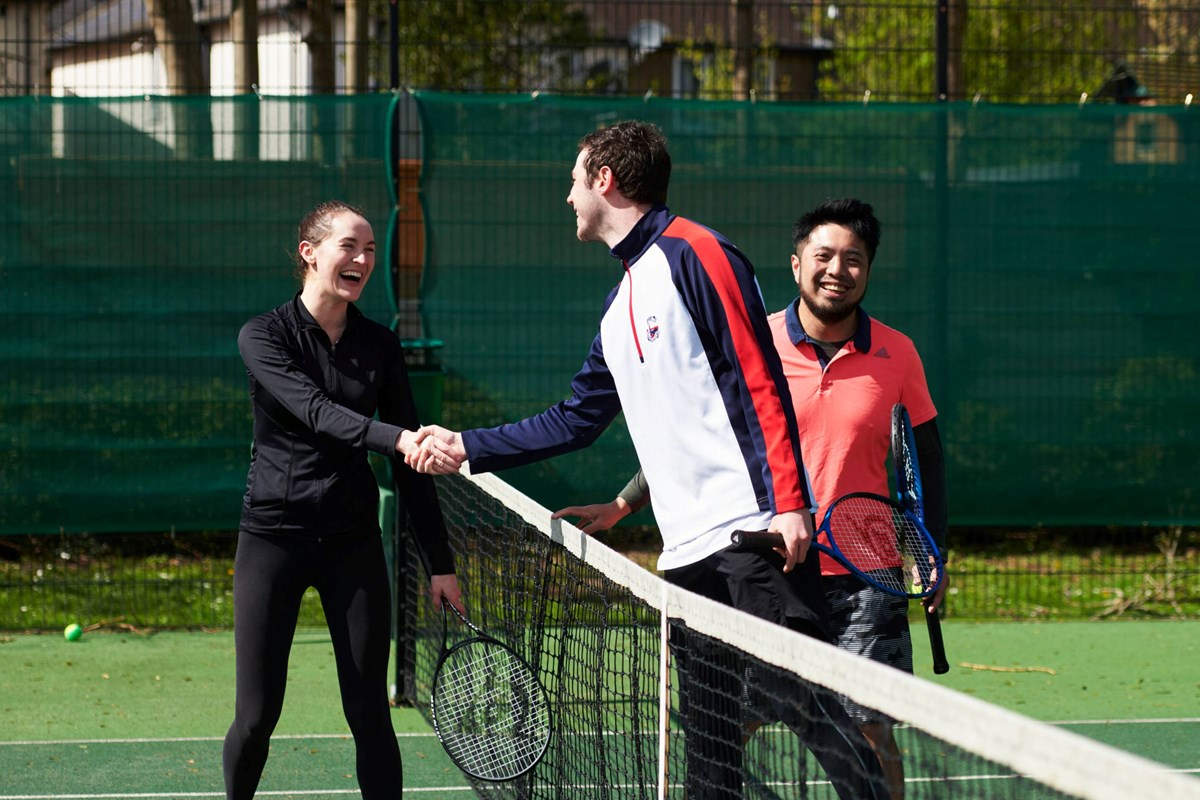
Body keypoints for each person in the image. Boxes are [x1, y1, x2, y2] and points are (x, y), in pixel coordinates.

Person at [407, 123, 887, 799]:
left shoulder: (698, 251)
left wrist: (787, 503)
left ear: (605, 179)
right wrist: (467, 447)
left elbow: (758, 379)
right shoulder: (617, 307)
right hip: (684, 558)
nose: (567, 195)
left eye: (574, 179)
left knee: (808, 707)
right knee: (712, 743)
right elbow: (576, 419)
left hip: (751, 534)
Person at [552, 198, 950, 800]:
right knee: (732, 724)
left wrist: (931, 550)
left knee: (868, 733)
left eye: (853, 259)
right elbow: (699, 439)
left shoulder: (899, 355)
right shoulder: (754, 341)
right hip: (774, 569)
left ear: (868, 271)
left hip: (866, 577)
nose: (836, 270)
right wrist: (622, 505)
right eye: (823, 256)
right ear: (796, 266)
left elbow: (928, 462)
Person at [223, 200, 463, 800]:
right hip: (272, 541)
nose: (362, 259)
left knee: (369, 714)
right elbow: (316, 412)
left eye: (371, 250)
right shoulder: (263, 335)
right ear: (310, 253)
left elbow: (412, 470)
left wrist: (440, 561)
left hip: (352, 543)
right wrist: (398, 439)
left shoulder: (380, 345)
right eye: (349, 247)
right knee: (256, 717)